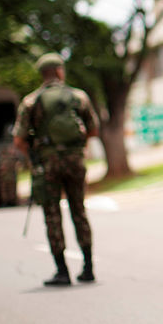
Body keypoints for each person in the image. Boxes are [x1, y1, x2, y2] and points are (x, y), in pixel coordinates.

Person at [13, 52, 100, 287]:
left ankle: (62, 272)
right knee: (78, 211)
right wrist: (78, 148)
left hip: (48, 163)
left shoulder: (31, 102)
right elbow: (93, 129)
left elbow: (19, 140)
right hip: (75, 161)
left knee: (52, 215)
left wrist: (34, 160)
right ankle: (88, 267)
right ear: (60, 71)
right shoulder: (78, 97)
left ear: (43, 74)